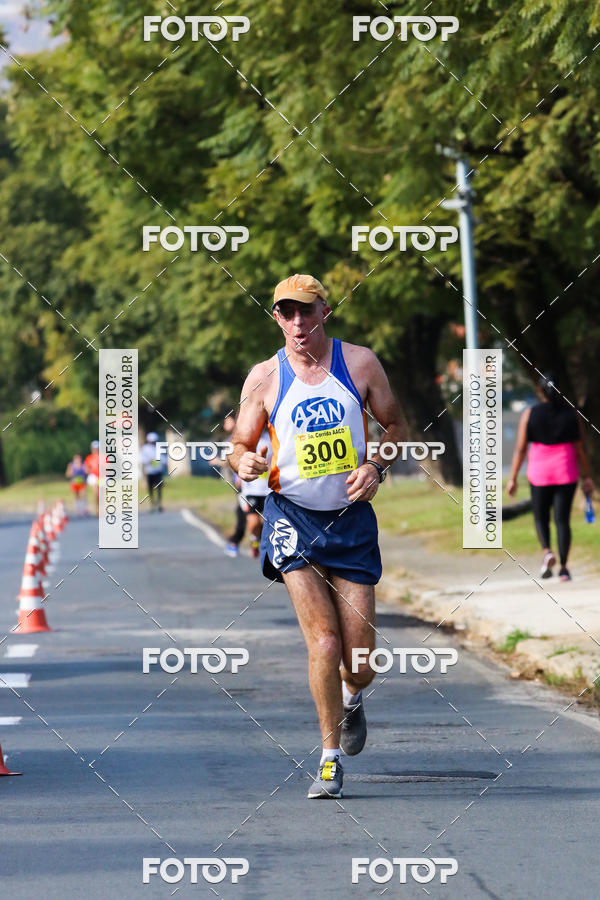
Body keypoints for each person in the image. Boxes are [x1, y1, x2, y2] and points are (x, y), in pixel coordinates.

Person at [229, 274, 405, 799]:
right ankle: (328, 759)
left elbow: (394, 427)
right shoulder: (264, 378)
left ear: (325, 311)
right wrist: (246, 459)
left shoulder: (361, 364)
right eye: (287, 313)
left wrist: (375, 466)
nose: (298, 323)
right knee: (324, 643)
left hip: (349, 521)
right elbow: (238, 446)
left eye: (307, 311)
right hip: (292, 518)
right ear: (277, 318)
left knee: (362, 660)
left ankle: (353, 699)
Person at [507, 373, 594, 581]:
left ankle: (547, 552)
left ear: (540, 391)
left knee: (540, 516)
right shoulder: (573, 415)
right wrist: (587, 477)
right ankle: (564, 568)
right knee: (562, 520)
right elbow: (580, 449)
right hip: (566, 471)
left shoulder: (530, 414)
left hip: (539, 472)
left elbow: (520, 450)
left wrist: (513, 478)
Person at [239, 429, 272, 557]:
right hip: (251, 490)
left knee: (270, 523)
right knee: (253, 523)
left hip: (270, 489)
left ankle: (266, 546)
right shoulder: (245, 438)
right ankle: (254, 540)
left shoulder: (272, 436)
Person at [140, 432, 167, 511]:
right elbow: (143, 460)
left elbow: (163, 459)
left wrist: (164, 462)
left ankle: (159, 504)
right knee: (150, 489)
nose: (153, 443)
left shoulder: (159, 448)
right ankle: (152, 504)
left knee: (159, 488)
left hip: (158, 471)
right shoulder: (145, 449)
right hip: (149, 472)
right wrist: (149, 461)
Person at [84, 440, 101, 516]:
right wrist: (90, 470)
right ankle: (97, 509)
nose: (95, 450)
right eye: (94, 448)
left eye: (97, 448)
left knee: (101, 494)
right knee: (96, 493)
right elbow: (86, 468)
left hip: (101, 476)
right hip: (93, 476)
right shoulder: (89, 458)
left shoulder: (103, 457)